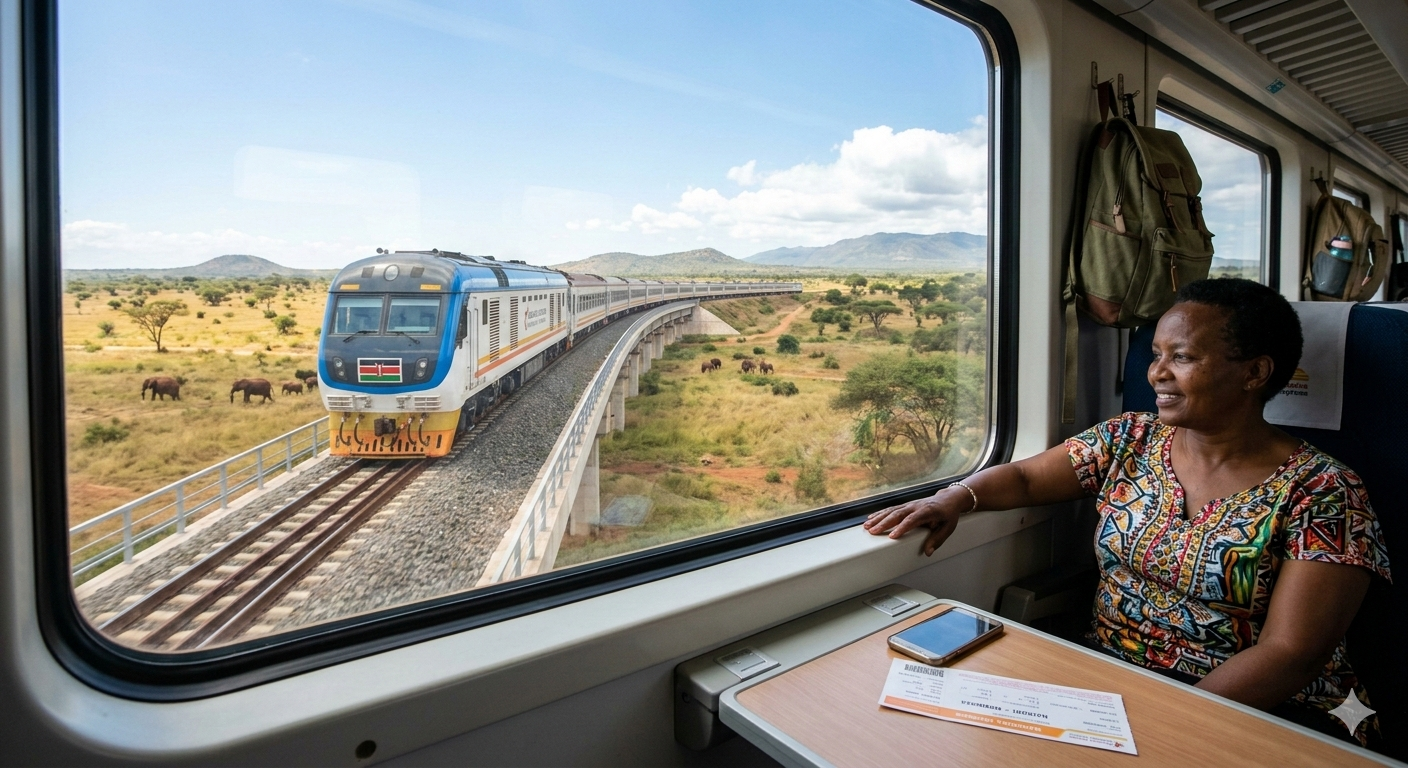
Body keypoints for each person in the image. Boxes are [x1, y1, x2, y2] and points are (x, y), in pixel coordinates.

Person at [864, 278, 1391, 744]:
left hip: (1257, 707)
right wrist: (951, 497)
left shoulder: (1324, 490)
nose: (1156, 373)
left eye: (1181, 357)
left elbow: (1290, 654)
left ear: (1255, 372)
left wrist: (1162, 725)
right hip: (1111, 680)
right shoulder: (1130, 438)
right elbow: (1025, 476)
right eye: (1156, 354)